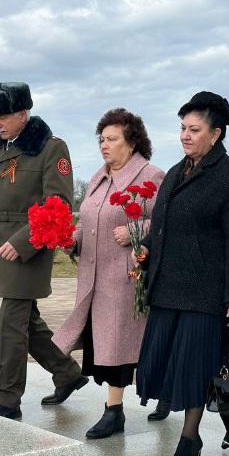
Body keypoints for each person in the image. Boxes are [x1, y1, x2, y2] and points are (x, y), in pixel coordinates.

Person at [134, 91, 229, 456]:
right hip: (168, 286)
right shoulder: (176, 171)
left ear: (216, 133)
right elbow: (166, 224)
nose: (185, 135)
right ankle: (226, 407)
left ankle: (190, 439)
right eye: (182, 128)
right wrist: (146, 250)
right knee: (166, 362)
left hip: (206, 291)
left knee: (194, 366)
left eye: (194, 129)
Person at [0, 82, 87, 419]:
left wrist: (23, 242)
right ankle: (68, 373)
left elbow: (56, 203)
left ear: (23, 114)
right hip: (0, 247)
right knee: (26, 319)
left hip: (30, 246)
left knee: (11, 323)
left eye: (2, 116)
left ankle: (7, 399)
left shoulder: (51, 148)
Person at [51, 108, 166, 438]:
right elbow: (87, 221)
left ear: (131, 143)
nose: (104, 145)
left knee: (118, 346)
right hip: (93, 277)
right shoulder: (98, 178)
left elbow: (164, 223)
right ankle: (147, 399)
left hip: (126, 278)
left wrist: (135, 229)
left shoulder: (150, 175)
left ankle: (114, 412)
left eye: (112, 139)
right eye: (101, 139)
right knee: (106, 345)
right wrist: (69, 239)